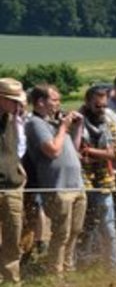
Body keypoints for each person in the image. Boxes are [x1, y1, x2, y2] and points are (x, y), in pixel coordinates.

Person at [23, 85, 88, 276]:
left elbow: (74, 150)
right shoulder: (36, 123)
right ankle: (55, 273)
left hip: (76, 184)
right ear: (41, 102)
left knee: (75, 231)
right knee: (61, 234)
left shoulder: (56, 124)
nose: (59, 103)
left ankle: (68, 268)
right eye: (55, 99)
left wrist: (77, 128)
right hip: (57, 187)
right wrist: (64, 127)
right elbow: (53, 150)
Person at [77, 85, 116, 272]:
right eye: (97, 106)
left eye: (104, 105)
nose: (101, 109)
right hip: (82, 180)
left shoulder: (110, 123)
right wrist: (104, 153)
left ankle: (113, 266)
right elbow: (74, 150)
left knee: (108, 225)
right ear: (87, 103)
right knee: (84, 225)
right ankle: (83, 265)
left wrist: (90, 151)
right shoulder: (77, 122)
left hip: (104, 180)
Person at [1, 79, 30, 286]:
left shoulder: (14, 120)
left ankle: (12, 281)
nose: (18, 105)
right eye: (14, 101)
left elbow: (19, 149)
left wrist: (18, 169)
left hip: (12, 186)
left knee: (13, 236)